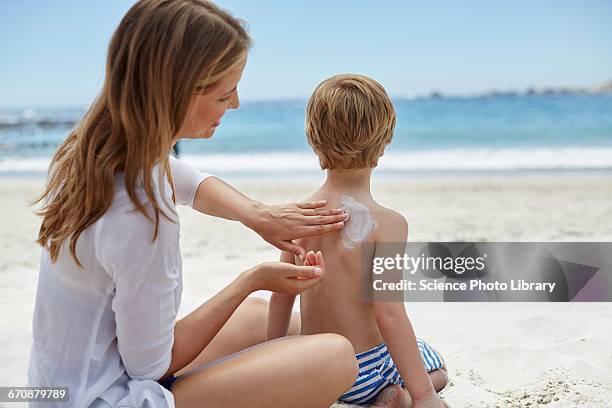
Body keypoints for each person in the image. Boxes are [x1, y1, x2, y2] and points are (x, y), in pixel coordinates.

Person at [28, 1, 359, 407]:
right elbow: (150, 367)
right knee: (335, 357)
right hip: (109, 397)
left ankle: (373, 351)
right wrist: (250, 278)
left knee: (258, 316)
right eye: (224, 94)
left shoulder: (89, 149)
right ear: (178, 92)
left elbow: (190, 181)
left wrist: (259, 216)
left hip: (61, 387)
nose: (234, 103)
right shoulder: (140, 215)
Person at [266, 74, 449, 408]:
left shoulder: (296, 217)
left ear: (314, 143)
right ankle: (404, 397)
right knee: (437, 366)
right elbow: (389, 313)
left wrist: (275, 362)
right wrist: (426, 396)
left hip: (316, 366)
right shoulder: (389, 224)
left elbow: (281, 295)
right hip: (364, 370)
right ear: (383, 145)